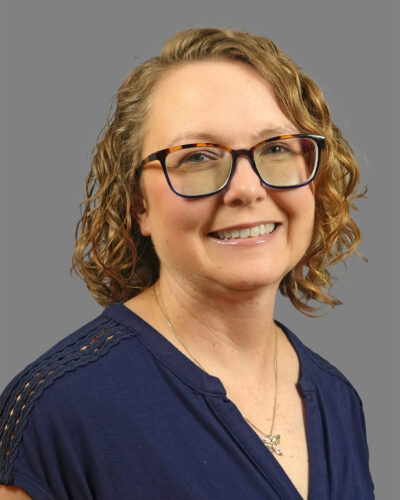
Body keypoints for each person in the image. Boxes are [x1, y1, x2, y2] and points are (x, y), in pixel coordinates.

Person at [0, 27, 374, 499]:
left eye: (277, 148)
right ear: (137, 204)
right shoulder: (59, 412)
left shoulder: (338, 400)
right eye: (197, 156)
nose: (246, 189)